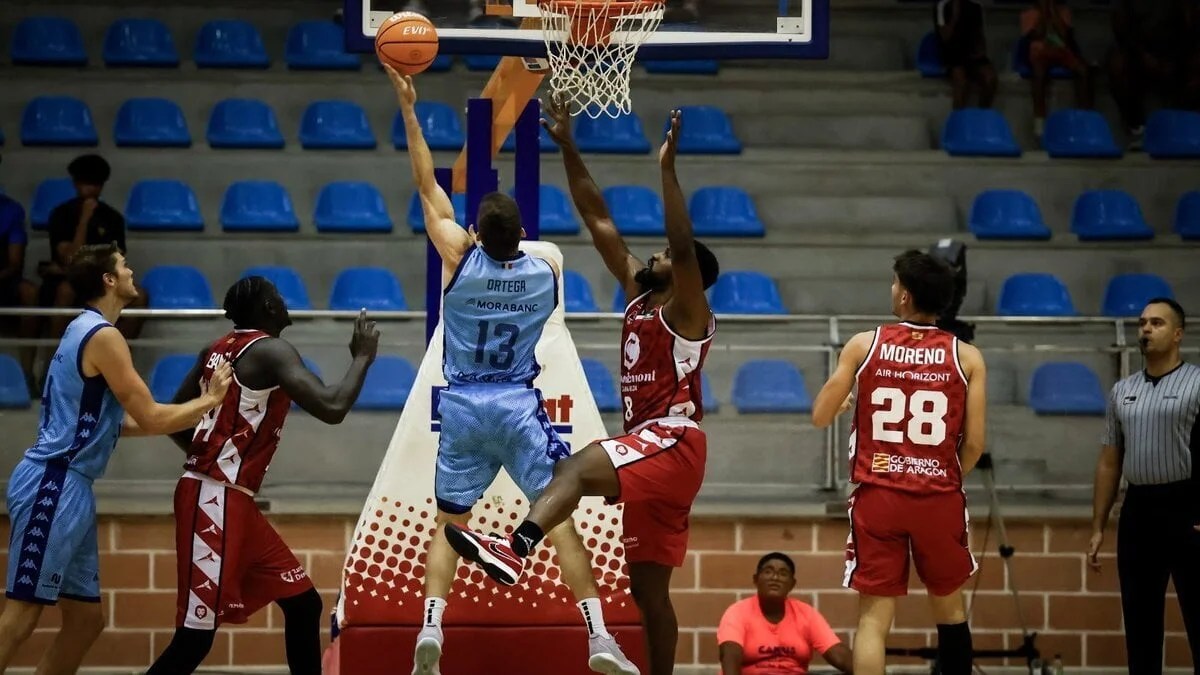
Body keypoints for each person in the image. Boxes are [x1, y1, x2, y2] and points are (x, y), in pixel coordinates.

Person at [445, 96, 721, 675]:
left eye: (664, 255)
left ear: (685, 273)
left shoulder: (689, 311)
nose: (654, 253)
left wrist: (667, 170)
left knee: (570, 469)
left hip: (673, 440)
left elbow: (681, 238)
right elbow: (599, 220)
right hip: (653, 451)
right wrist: (569, 147)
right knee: (648, 592)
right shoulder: (641, 295)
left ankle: (513, 548)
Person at [383, 66, 637, 675]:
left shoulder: (458, 258)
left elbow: (426, 185)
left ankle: (432, 628)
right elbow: (526, 249)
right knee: (560, 521)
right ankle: (599, 637)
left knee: (450, 523)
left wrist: (410, 109)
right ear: (521, 234)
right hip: (519, 404)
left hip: (463, 406)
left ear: (473, 233)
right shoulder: (546, 269)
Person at [0, 242, 231, 674]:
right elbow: (152, 416)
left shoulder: (83, 328)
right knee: (22, 614)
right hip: (53, 483)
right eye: (123, 266)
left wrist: (193, 413)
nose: (131, 272)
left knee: (86, 621)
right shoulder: (104, 336)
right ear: (108, 280)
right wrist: (210, 400)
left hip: (70, 486)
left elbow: (120, 423)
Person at [144, 279, 380, 675]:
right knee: (194, 639)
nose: (285, 303)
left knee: (303, 603)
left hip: (228, 497)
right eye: (278, 297)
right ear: (268, 307)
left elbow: (176, 415)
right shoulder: (271, 350)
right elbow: (332, 406)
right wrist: (362, 358)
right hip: (214, 497)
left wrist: (213, 456)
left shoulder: (216, 349)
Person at [811, 250, 987, 675]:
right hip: (938, 496)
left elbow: (819, 416)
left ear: (905, 296)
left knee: (873, 620)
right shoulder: (967, 356)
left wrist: (843, 404)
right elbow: (975, 444)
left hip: (879, 494)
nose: (892, 290)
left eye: (895, 284)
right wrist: (940, 476)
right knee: (950, 609)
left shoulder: (864, 344)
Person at [1087, 298, 1199, 674]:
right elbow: (1109, 461)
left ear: (1178, 334)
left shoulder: (1197, 383)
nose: (1147, 329)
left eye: (1157, 323)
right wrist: (1098, 526)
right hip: (1139, 511)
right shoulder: (1122, 391)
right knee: (1140, 625)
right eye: (1142, 323)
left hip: (1186, 508)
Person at [42, 154, 148, 341]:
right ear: (75, 183)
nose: (90, 189)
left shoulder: (113, 217)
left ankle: (116, 352)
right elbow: (70, 259)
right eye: (85, 183)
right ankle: (57, 353)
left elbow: (116, 259)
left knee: (139, 296)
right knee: (66, 291)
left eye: (95, 183)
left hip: (102, 278)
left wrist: (90, 265)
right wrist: (84, 219)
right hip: (69, 278)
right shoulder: (61, 214)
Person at [717, 553, 854, 675]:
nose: (775, 578)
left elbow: (838, 654)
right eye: (768, 572)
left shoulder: (806, 613)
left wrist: (865, 670)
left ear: (792, 584)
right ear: (756, 579)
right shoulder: (737, 612)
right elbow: (729, 655)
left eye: (783, 574)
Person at [1106, 0, 1195, 147]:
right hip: (1140, 52)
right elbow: (1121, 27)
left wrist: (1176, 58)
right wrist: (1143, 55)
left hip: (1175, 53)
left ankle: (1186, 125)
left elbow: (1189, 28)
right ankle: (1136, 125)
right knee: (1117, 62)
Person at [1020, 0, 1093, 141]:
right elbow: (1037, 34)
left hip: (1060, 51)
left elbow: (1064, 37)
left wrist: (1053, 12)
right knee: (1039, 72)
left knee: (1083, 70)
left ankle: (1085, 119)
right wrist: (1044, 13)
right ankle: (1039, 120)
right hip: (1039, 52)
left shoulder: (1064, 12)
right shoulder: (1028, 15)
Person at [0, 156, 40, 391]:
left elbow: (15, 263)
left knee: (29, 292)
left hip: (2, 280)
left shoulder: (10, 210)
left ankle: (26, 374)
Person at [934, 0, 998, 110]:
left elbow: (980, 35)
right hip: (952, 55)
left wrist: (981, 50)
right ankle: (958, 117)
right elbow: (945, 37)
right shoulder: (942, 5)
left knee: (990, 78)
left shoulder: (975, 6)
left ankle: (981, 114)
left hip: (971, 54)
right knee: (961, 82)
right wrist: (955, 17)